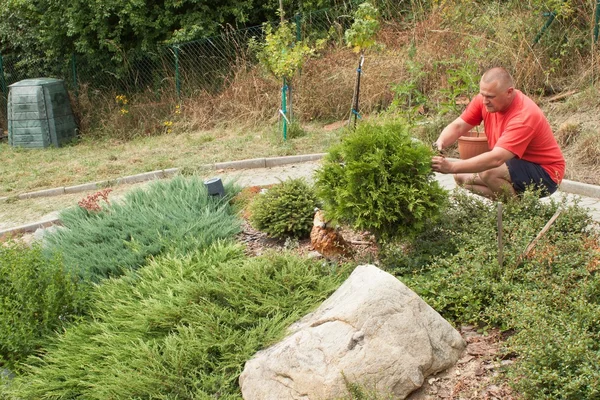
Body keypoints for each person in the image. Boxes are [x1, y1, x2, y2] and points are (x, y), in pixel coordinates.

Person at [431, 67, 565, 200]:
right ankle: (517, 202)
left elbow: (496, 159)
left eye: (490, 97)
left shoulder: (524, 115)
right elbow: (459, 126)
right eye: (482, 94)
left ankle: (517, 213)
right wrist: (440, 143)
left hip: (546, 174)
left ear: (509, 92)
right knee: (461, 176)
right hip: (514, 164)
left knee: (489, 172)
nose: (484, 101)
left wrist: (451, 166)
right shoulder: (485, 100)